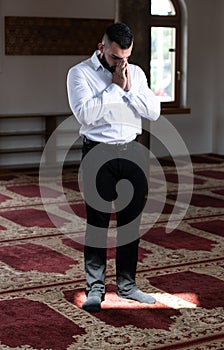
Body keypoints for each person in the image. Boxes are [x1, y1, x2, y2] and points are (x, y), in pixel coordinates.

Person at [67, 22, 160, 312]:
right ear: (101, 48)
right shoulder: (79, 73)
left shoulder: (137, 73)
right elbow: (86, 115)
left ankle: (128, 285)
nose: (122, 63)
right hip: (98, 155)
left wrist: (130, 88)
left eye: (126, 57)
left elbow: (153, 113)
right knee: (97, 224)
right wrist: (114, 88)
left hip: (132, 153)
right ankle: (95, 289)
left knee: (129, 225)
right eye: (115, 58)